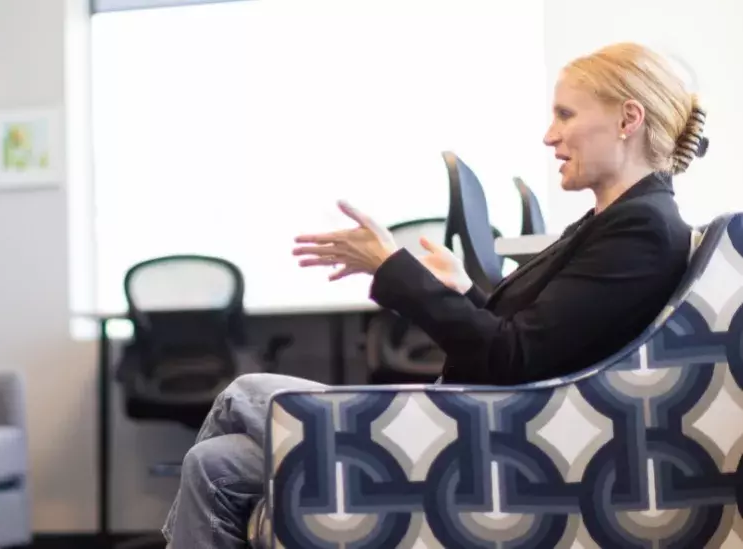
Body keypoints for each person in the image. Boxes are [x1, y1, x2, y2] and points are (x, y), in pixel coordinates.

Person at [162, 42, 706, 548]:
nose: (549, 136)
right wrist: (464, 288)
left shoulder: (641, 229)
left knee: (245, 391)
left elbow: (511, 356)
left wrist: (393, 267)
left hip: (489, 436)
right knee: (214, 464)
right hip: (482, 420)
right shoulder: (616, 222)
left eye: (565, 115)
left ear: (628, 119)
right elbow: (532, 342)